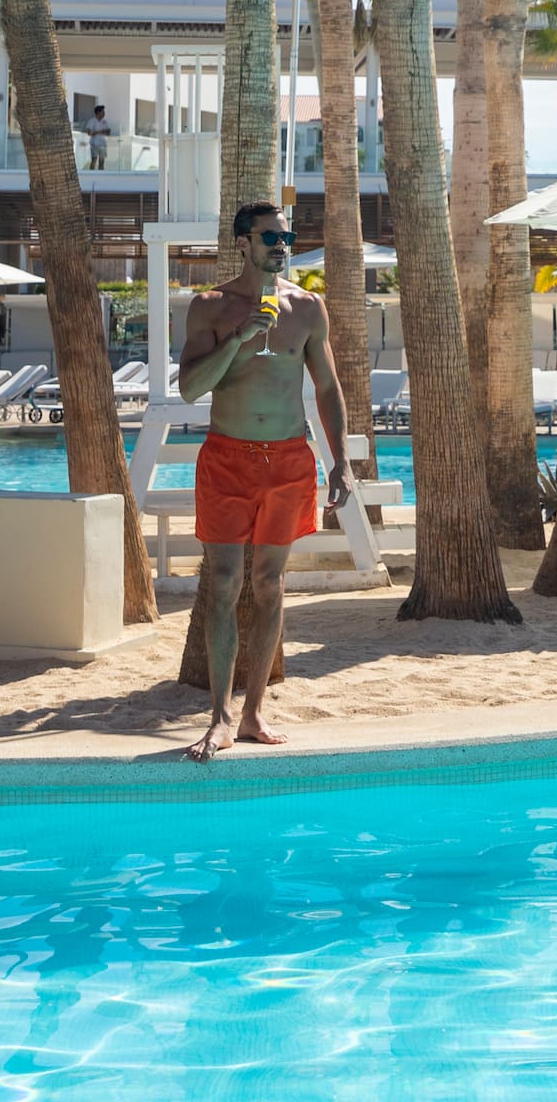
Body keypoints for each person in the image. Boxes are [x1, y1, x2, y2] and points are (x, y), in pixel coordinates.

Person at [177, 200, 351, 763]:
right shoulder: (209, 307)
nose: (282, 246)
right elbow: (189, 389)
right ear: (243, 243)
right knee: (224, 582)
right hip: (227, 457)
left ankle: (253, 711)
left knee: (270, 585)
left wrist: (341, 460)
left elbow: (326, 386)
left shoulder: (308, 308)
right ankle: (221, 715)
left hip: (288, 458)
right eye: (270, 238)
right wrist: (237, 340)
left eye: (286, 237)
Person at [86, 104, 112, 170]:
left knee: (102, 162)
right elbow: (89, 133)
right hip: (94, 144)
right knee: (94, 160)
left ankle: (101, 176)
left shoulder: (105, 121)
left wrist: (108, 131)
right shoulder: (92, 121)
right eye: (103, 112)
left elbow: (108, 133)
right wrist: (101, 131)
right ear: (98, 112)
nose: (104, 113)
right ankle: (91, 174)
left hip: (103, 144)